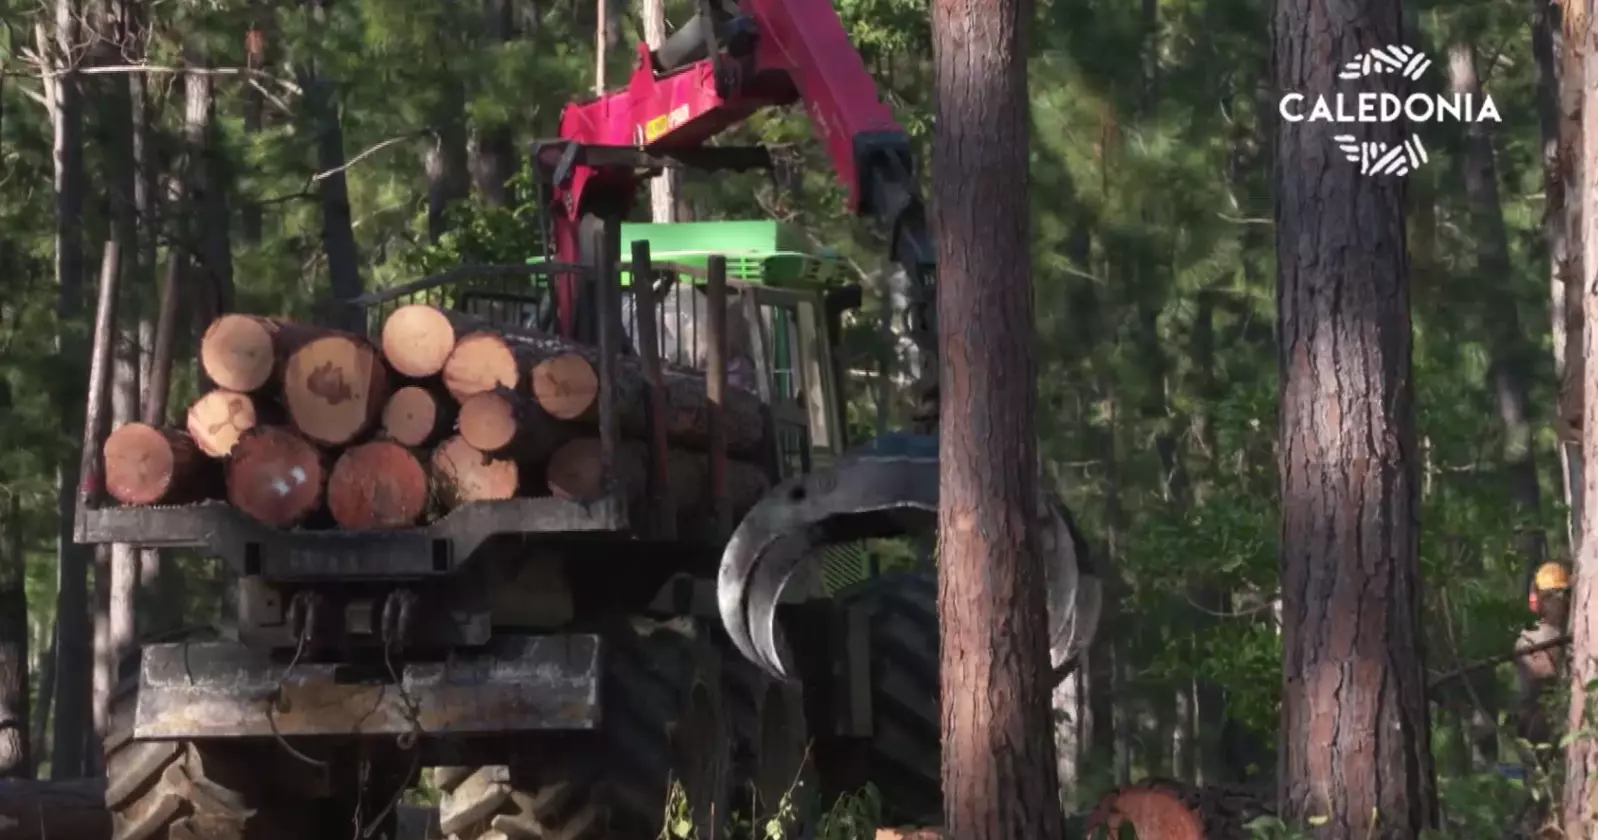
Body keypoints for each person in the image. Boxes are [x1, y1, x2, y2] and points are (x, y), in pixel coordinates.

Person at [1514, 561, 1571, 751]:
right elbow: (1544, 679)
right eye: (1551, 597)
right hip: (1540, 727)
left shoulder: (1577, 634)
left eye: (1561, 596)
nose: (1557, 602)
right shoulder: (1527, 641)